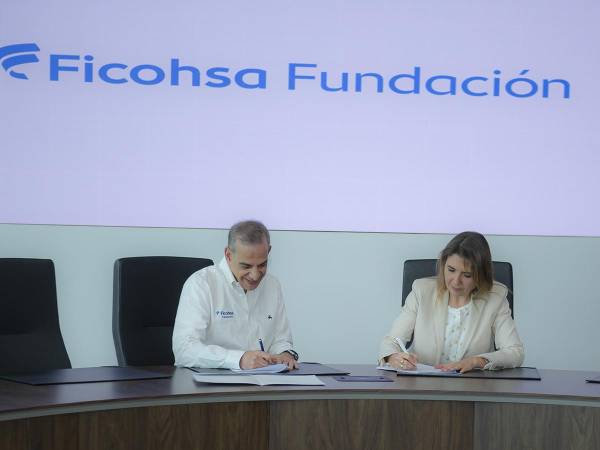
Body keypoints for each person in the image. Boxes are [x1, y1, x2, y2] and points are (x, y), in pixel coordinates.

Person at [379, 231, 524, 373]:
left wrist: (477, 361)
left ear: (481, 275)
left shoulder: (495, 298)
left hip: (473, 388)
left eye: (467, 275)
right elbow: (391, 341)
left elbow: (515, 352)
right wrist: (393, 357)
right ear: (443, 265)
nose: (456, 281)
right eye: (451, 270)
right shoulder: (422, 291)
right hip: (422, 387)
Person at [173, 220, 299, 370]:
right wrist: (238, 359)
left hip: (264, 382)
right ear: (228, 255)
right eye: (246, 266)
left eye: (262, 265)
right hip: (211, 385)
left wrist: (285, 354)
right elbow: (184, 350)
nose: (254, 275)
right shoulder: (201, 284)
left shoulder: (272, 285)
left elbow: (281, 339)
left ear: (268, 251)